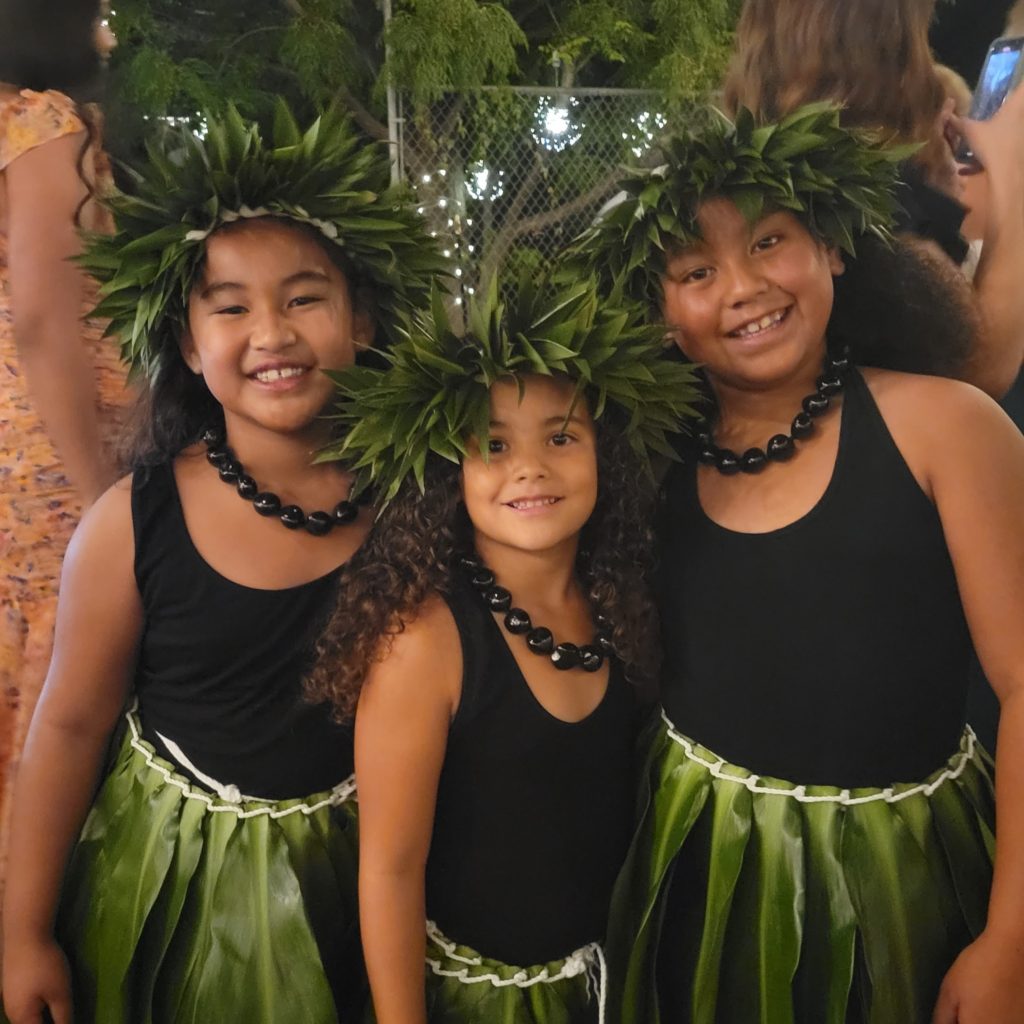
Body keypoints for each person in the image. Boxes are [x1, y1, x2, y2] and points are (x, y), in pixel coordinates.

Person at [571, 105, 1024, 1023]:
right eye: (695, 271)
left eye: (770, 242)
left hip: (909, 870)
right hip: (697, 861)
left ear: (836, 250)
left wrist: (1011, 941)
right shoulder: (641, 458)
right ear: (659, 314)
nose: (742, 288)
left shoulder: (947, 427)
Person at [0, 104, 446, 1024]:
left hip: (352, 891)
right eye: (231, 307)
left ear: (362, 320)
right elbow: (70, 728)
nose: (271, 332)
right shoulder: (133, 523)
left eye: (304, 297)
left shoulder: (420, 499)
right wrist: (21, 931)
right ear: (189, 346)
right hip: (164, 892)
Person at [303, 277, 699, 1024]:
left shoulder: (619, 603)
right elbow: (389, 869)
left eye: (561, 437)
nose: (530, 467)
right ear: (449, 474)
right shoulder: (425, 643)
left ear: (603, 455)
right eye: (491, 444)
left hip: (603, 987)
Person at [723, 0, 1024, 401]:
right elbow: (975, 374)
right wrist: (1013, 171)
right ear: (884, 51)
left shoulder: (766, 172)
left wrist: (931, 172)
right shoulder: (861, 207)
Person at [0, 0, 124, 879]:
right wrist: (99, 499)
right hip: (50, 464)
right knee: (58, 690)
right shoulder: (43, 123)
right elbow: (47, 320)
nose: (110, 28)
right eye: (99, 11)